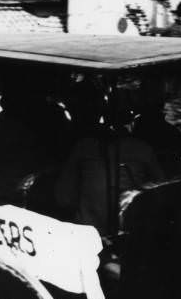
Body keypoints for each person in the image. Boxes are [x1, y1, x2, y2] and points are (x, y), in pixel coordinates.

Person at [55, 97, 164, 235]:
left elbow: (64, 197)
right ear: (131, 120)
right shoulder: (142, 149)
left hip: (90, 232)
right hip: (127, 232)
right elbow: (160, 191)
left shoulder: (84, 147)